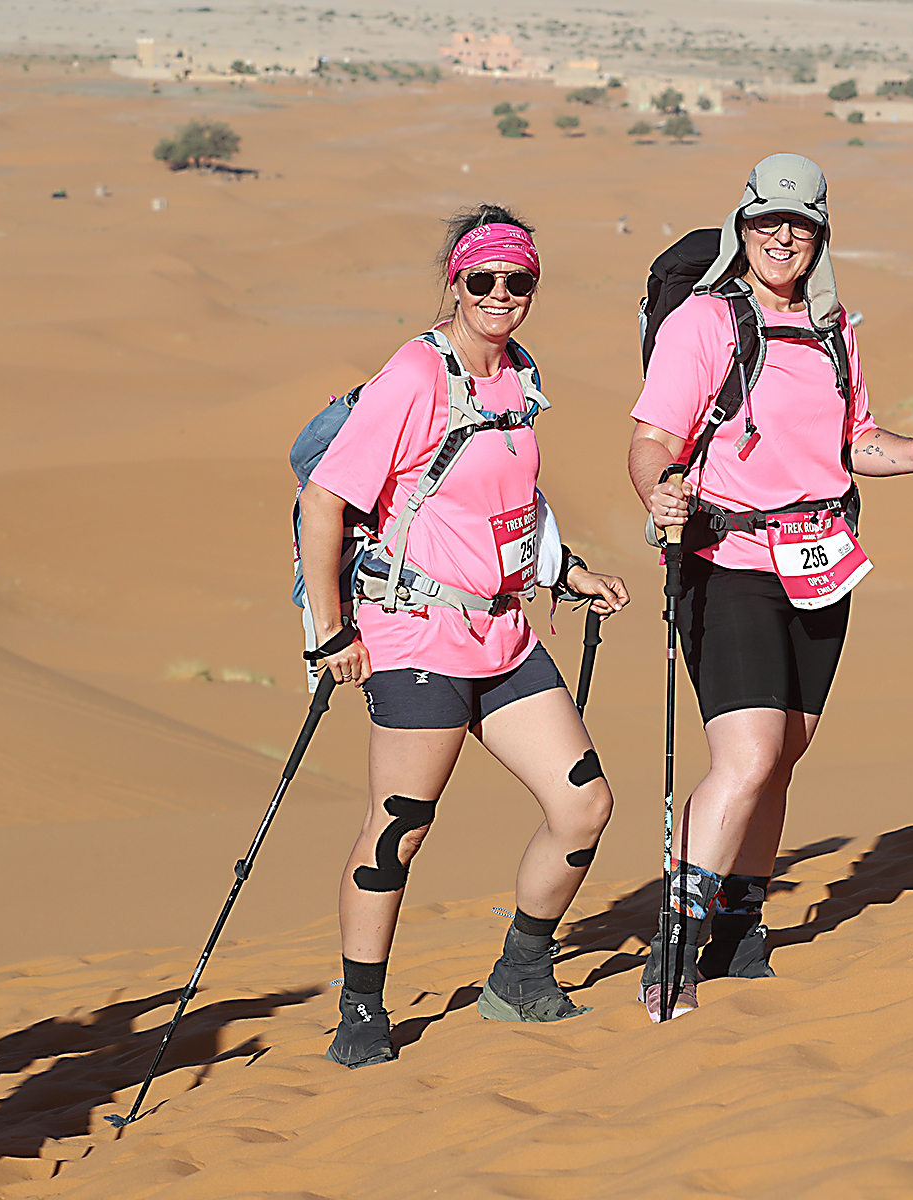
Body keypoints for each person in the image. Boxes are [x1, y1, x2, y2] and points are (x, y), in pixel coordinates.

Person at [628, 153, 913, 1021]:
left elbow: (852, 442)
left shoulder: (833, 330)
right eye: (766, 222)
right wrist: (657, 488)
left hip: (819, 563)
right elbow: (651, 440)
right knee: (743, 757)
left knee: (783, 753)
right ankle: (677, 936)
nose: (782, 238)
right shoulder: (705, 324)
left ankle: (742, 928)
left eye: (801, 225)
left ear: (821, 235)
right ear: (741, 226)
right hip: (726, 560)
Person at [299, 204, 630, 1067]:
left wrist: (567, 570)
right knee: (400, 826)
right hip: (414, 635)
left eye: (518, 280)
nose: (500, 295)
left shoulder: (520, 376)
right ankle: (362, 1012)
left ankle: (520, 974)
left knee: (583, 804)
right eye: (482, 278)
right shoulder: (414, 374)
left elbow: (504, 501)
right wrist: (331, 634)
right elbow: (325, 499)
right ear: (456, 281)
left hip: (505, 633)